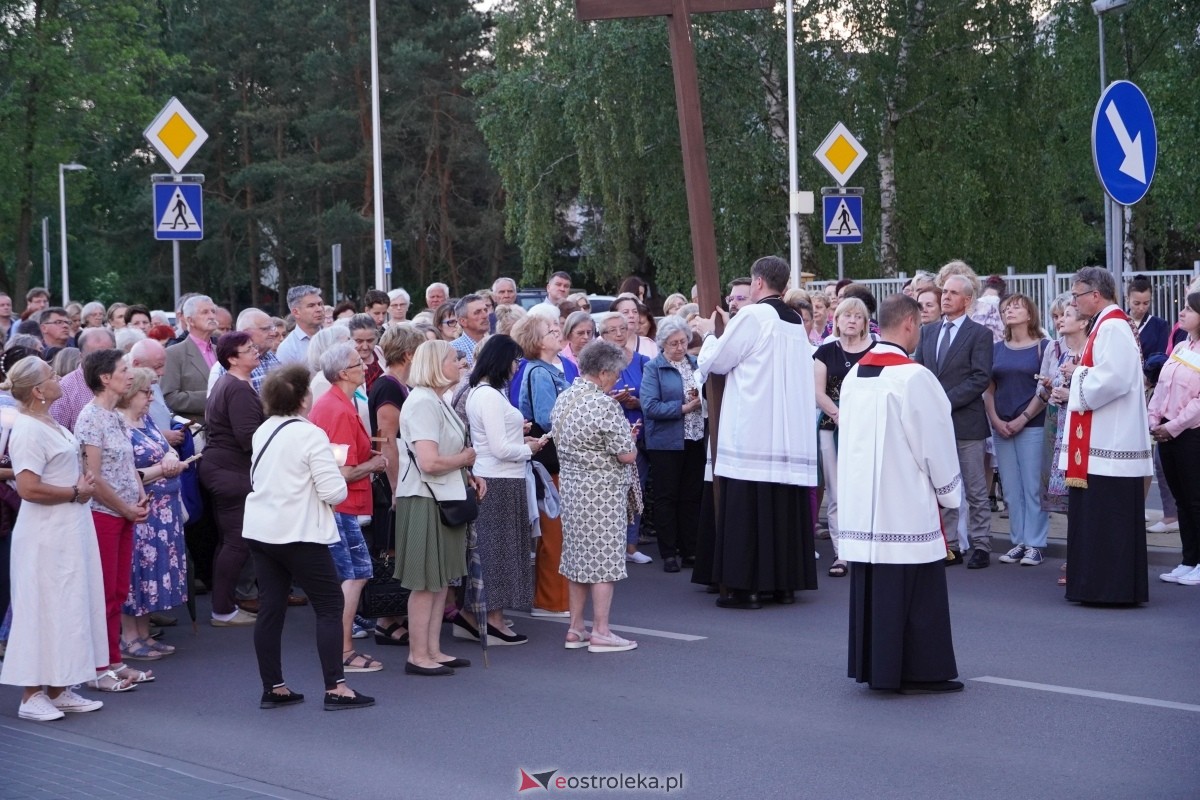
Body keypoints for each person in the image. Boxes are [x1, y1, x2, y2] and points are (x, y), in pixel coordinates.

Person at [839, 293, 964, 694]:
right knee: (916, 591)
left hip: (864, 505)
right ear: (910, 324)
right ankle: (919, 669)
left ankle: (876, 667)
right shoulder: (914, 377)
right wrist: (950, 493)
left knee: (876, 587)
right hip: (904, 503)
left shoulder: (856, 373)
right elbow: (935, 444)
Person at [243, 364, 374, 710]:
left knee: (271, 608)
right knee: (330, 607)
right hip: (299, 531)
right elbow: (333, 493)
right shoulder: (310, 434)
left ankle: (274, 686)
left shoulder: (264, 430)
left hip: (261, 529)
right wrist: (334, 469)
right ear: (304, 398)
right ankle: (336, 687)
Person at [691, 255, 818, 608]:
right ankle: (784, 585)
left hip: (753, 431)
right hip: (787, 434)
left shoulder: (754, 315)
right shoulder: (795, 321)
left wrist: (708, 335)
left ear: (758, 283)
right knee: (781, 511)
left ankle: (745, 589)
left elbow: (718, 361)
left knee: (748, 511)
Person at [0, 356, 112, 719]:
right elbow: (29, 487)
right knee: (42, 608)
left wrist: (80, 490)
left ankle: (60, 686)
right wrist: (75, 492)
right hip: (46, 532)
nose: (58, 377)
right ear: (38, 390)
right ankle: (31, 695)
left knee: (68, 604)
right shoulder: (29, 429)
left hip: (68, 527)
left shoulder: (46, 421)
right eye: (51, 375)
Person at [1058, 266, 1151, 605]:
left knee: (1107, 520)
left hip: (1109, 445)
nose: (1074, 301)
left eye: (1077, 294)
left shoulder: (1112, 326)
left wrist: (1076, 374)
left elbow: (1115, 378)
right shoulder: (1108, 324)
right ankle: (1095, 585)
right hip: (1101, 443)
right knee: (1098, 520)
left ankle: (1109, 589)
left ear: (1094, 295)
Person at [394, 340, 483, 675]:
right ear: (434, 364)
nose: (459, 363)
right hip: (424, 498)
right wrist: (465, 459)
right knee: (426, 582)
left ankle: (432, 650)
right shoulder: (421, 403)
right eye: (452, 358)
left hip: (443, 495)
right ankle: (419, 655)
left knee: (441, 579)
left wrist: (467, 473)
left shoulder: (436, 399)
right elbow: (429, 462)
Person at [552, 340, 639, 653]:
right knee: (605, 562)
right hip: (602, 493)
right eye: (615, 375)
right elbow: (626, 455)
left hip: (573, 490)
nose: (617, 380)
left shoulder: (565, 398)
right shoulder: (604, 405)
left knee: (578, 561)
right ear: (603, 373)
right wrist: (631, 441)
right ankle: (601, 630)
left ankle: (575, 628)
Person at [75, 349, 154, 688]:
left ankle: (114, 660)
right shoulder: (90, 417)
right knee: (103, 592)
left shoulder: (115, 416)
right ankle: (97, 668)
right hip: (103, 515)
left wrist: (139, 495)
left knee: (119, 590)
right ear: (105, 378)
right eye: (123, 370)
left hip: (123, 514)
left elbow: (125, 465)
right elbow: (92, 477)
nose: (130, 375)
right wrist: (124, 507)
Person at [308, 342, 388, 672]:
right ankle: (342, 652)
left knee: (356, 574)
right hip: (341, 505)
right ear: (344, 373)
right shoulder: (337, 409)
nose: (365, 366)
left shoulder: (341, 403)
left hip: (345, 504)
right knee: (352, 576)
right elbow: (341, 471)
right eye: (358, 363)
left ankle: (341, 650)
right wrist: (375, 464)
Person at [458, 335, 543, 645]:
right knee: (496, 553)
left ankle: (478, 616)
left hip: (501, 478)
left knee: (499, 550)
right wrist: (529, 449)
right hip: (498, 479)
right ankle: (490, 618)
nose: (517, 365)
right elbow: (498, 448)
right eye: (514, 359)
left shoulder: (486, 393)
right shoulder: (489, 396)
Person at [912, 272, 994, 568]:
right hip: (935, 425)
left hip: (966, 423)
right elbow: (918, 371)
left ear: (967, 300)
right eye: (943, 292)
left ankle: (982, 544)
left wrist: (942, 401)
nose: (945, 296)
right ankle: (950, 546)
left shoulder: (980, 335)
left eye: (952, 293)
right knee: (943, 486)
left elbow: (980, 378)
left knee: (974, 487)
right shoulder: (928, 332)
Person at [117, 367, 187, 660]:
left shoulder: (144, 421)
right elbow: (124, 472)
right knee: (135, 574)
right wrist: (163, 468)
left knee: (151, 575)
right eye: (147, 393)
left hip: (164, 512)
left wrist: (171, 457)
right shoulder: (119, 426)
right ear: (131, 394)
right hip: (142, 511)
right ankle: (129, 638)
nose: (150, 399)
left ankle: (144, 634)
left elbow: (166, 447)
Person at [513, 314, 577, 615]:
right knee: (554, 531)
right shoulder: (539, 372)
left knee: (559, 531)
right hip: (549, 458)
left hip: (557, 457)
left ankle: (556, 598)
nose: (558, 333)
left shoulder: (552, 368)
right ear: (537, 342)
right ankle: (550, 600)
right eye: (551, 331)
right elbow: (546, 417)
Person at [366, 324, 426, 646]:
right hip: (394, 482)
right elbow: (386, 439)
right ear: (408, 354)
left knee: (397, 548)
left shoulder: (395, 385)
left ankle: (394, 617)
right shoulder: (389, 387)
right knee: (392, 549)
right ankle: (387, 619)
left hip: (398, 478)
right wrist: (397, 487)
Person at [200, 332, 265, 626]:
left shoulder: (231, 383)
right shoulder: (237, 388)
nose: (256, 351)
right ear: (232, 358)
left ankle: (223, 605)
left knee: (229, 541)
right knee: (236, 543)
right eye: (248, 349)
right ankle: (223, 610)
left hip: (224, 468)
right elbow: (248, 436)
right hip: (231, 471)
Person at [985, 294, 1050, 567]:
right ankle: (1019, 541)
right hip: (1002, 426)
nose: (1009, 311)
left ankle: (1035, 543)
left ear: (1030, 314)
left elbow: (1046, 388)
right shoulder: (997, 349)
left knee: (1033, 486)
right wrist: (996, 420)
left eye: (1016, 306)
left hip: (1032, 424)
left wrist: (1023, 417)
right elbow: (988, 389)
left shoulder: (1044, 347)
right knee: (1011, 489)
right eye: (1005, 308)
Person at [813, 297, 876, 578]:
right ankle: (842, 553)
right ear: (835, 320)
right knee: (838, 493)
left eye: (857, 316)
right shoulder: (825, 352)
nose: (851, 320)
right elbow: (818, 391)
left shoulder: (876, 351)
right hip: (832, 427)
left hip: (870, 428)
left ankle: (869, 548)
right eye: (846, 315)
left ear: (865, 323)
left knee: (867, 490)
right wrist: (840, 415)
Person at [640, 316, 703, 573]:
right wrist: (684, 407)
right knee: (667, 497)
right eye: (673, 343)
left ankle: (690, 550)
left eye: (683, 342)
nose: (679, 348)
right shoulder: (654, 368)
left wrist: (701, 398)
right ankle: (668, 552)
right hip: (666, 441)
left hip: (695, 437)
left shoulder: (696, 363)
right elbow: (650, 406)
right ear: (662, 344)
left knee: (691, 496)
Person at [1147, 292, 1200, 586]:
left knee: (1195, 500)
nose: (1182, 312)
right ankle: (1188, 559)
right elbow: (1162, 388)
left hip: (1191, 433)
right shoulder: (1180, 346)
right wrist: (1154, 419)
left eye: (1190, 309)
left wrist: (1175, 425)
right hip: (1166, 431)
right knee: (1181, 500)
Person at [595, 313, 652, 564]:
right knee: (609, 492)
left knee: (636, 489)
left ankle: (631, 546)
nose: (619, 334)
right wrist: (612, 400)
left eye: (623, 328)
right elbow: (590, 398)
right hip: (607, 436)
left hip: (637, 431)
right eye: (612, 330)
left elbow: (651, 397)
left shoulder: (641, 361)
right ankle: (610, 547)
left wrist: (636, 401)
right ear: (603, 335)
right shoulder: (596, 362)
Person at [1039, 294, 1085, 528]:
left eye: (1065, 315)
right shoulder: (1054, 348)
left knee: (1082, 489)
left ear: (1083, 322)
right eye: (1056, 316)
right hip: (1056, 423)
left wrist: (1071, 392)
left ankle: (1083, 551)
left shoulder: (1091, 349)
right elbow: (1041, 389)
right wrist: (1047, 389)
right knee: (1064, 490)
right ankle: (1074, 551)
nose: (1058, 321)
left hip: (1081, 426)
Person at [160, 294, 219, 424]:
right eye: (205, 312)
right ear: (190, 320)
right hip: (198, 430)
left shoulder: (220, 351)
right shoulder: (173, 354)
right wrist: (214, 397)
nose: (212, 316)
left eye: (213, 311)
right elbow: (170, 397)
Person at [276, 285, 324, 365]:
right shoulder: (288, 348)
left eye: (320, 304)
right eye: (311, 306)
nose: (319, 309)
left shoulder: (334, 336)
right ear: (296, 312)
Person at [451, 294, 490, 368]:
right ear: (463, 321)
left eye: (485, 310)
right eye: (477, 312)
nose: (485, 316)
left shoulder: (498, 343)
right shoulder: (453, 349)